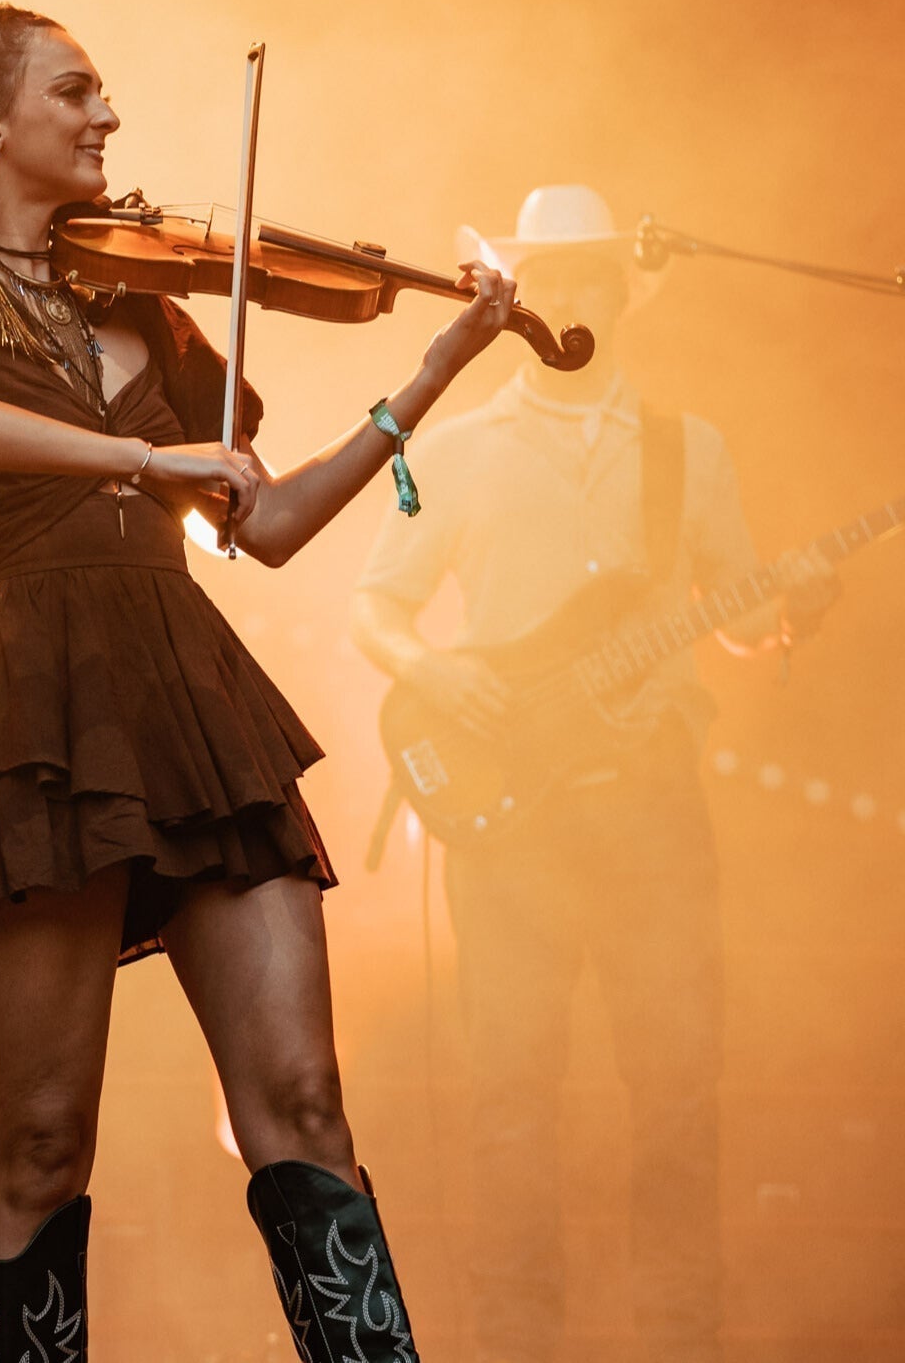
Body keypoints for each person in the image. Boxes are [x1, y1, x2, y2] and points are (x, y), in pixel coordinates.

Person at [0, 0, 516, 1362]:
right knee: (40, 1137)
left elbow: (268, 521)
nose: (107, 117)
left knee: (305, 1101)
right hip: (33, 697)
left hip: (190, 690)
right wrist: (143, 460)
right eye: (75, 91)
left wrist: (431, 373)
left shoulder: (143, 304)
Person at [350, 185, 840, 1363]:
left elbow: (732, 612)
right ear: (520, 300)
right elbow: (375, 603)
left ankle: (681, 1337)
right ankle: (518, 1341)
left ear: (624, 295)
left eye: (589, 278)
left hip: (653, 807)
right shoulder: (453, 447)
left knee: (677, 1088)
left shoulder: (689, 448)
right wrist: (438, 670)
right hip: (511, 819)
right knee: (512, 1097)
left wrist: (787, 614)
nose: (570, 298)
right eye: (551, 278)